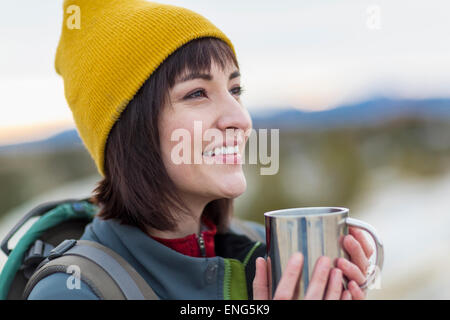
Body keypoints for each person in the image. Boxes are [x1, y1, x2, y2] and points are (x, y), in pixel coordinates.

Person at [28, 0, 374, 300]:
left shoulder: (266, 253)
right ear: (132, 131)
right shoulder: (73, 290)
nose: (240, 119)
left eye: (235, 89)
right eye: (196, 93)